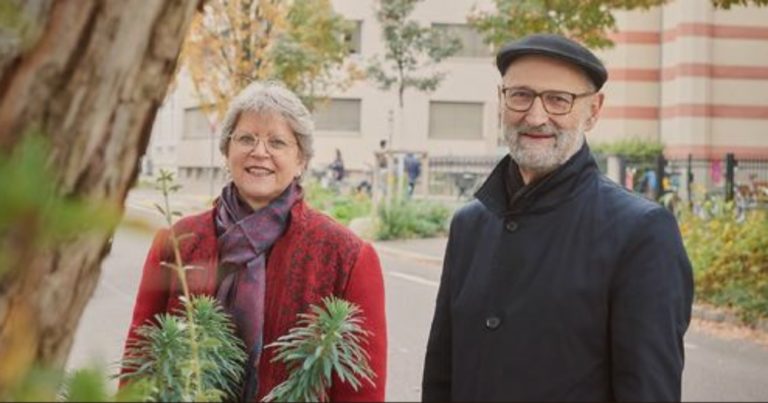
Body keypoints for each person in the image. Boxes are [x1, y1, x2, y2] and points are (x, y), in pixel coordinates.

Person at [422, 34, 693, 402]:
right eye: (521, 95)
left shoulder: (640, 232)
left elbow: (648, 390)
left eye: (558, 100)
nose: (535, 116)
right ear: (502, 100)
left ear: (593, 111)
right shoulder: (471, 224)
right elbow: (441, 375)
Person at [123, 81, 387, 401]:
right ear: (226, 151)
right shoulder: (178, 243)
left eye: (277, 142)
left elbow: (361, 390)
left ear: (301, 160)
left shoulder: (345, 256)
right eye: (246, 138)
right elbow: (138, 366)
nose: (259, 152)